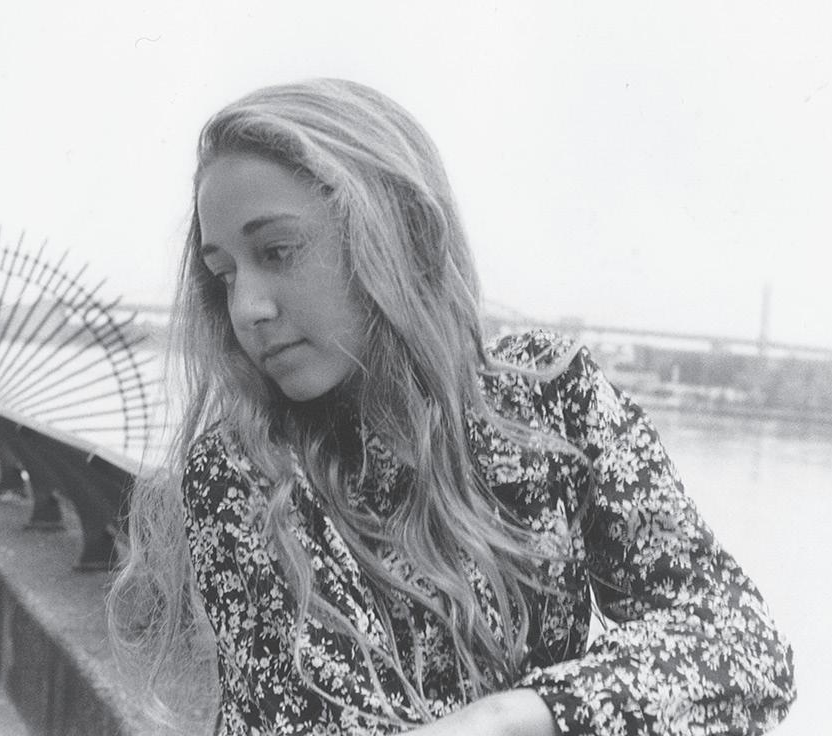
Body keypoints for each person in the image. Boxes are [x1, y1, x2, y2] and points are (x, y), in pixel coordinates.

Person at [109, 79, 796, 735]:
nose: (246, 309)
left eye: (278, 251)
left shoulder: (549, 398)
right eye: (224, 275)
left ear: (394, 229)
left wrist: (512, 717)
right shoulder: (240, 471)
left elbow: (742, 645)